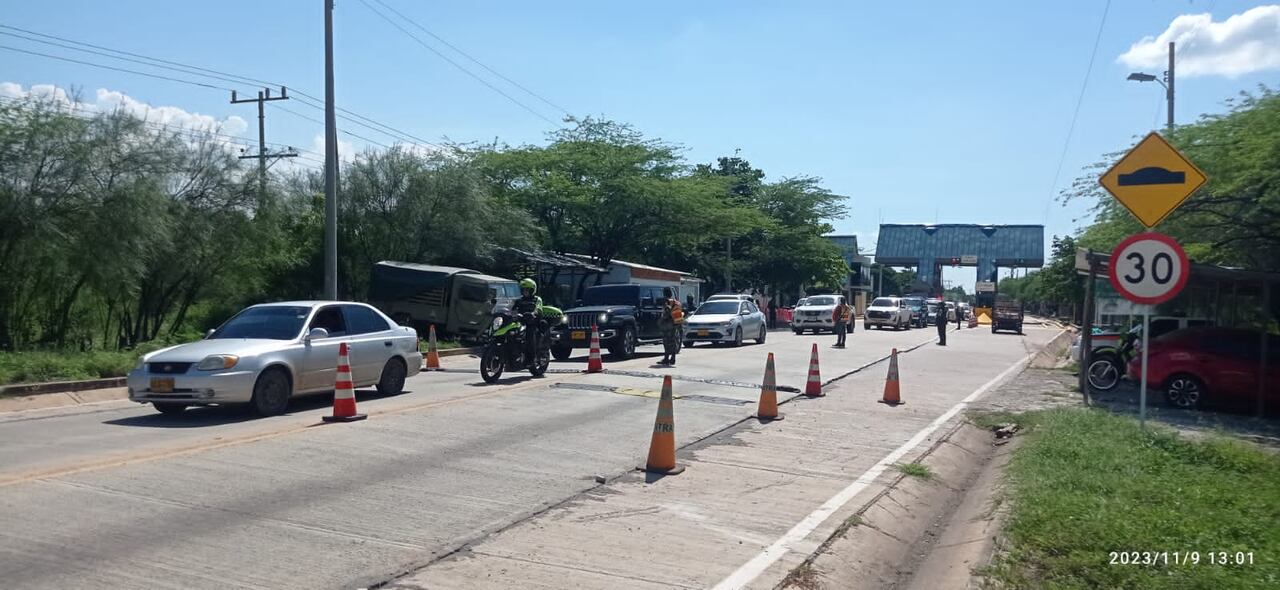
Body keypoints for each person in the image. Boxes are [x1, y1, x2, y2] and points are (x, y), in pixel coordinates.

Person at [514, 278, 544, 364]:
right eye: (523, 290)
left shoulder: (537, 299)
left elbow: (538, 308)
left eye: (527, 290)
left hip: (532, 321)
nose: (525, 292)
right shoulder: (519, 300)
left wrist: (533, 313)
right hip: (520, 320)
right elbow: (512, 308)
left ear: (532, 290)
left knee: (529, 335)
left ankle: (531, 358)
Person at [658, 287, 683, 366]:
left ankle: (666, 358)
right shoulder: (675, 301)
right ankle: (672, 358)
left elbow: (667, 311)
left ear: (665, 293)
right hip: (675, 323)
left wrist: (662, 319)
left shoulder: (667, 301)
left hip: (668, 324)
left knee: (666, 342)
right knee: (672, 341)